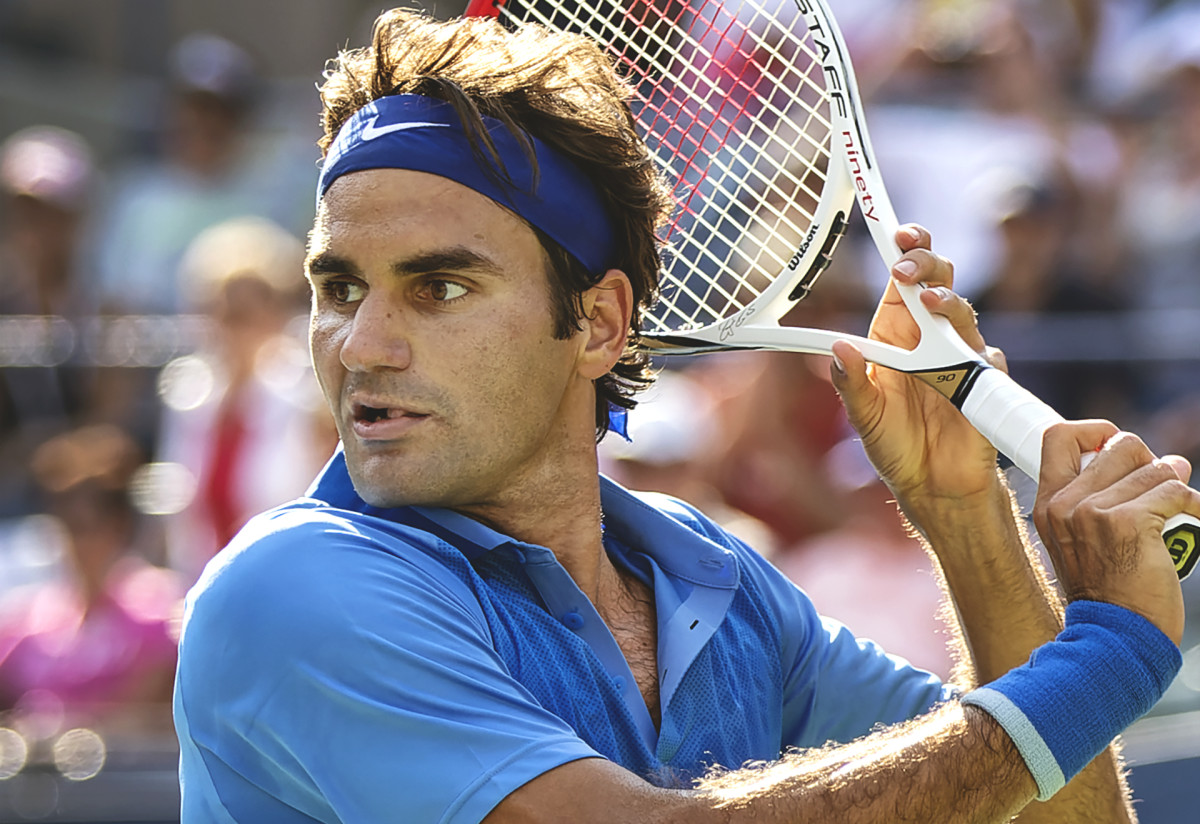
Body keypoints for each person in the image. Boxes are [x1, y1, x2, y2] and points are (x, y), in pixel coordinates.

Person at [173, 9, 1200, 823]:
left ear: (599, 323)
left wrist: (963, 512)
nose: (359, 344)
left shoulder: (723, 580)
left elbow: (1044, 812)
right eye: (339, 287)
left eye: (437, 288)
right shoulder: (289, 587)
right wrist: (1107, 647)